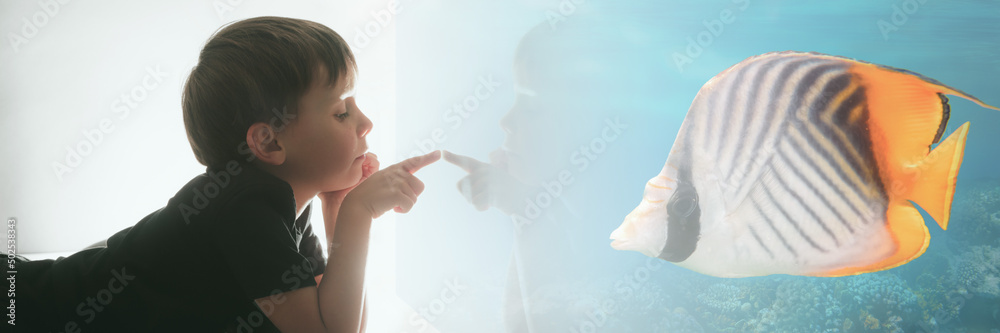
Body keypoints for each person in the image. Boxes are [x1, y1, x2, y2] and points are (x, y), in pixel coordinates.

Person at [13, 16, 440, 332]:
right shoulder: (243, 206)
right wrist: (359, 212)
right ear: (269, 143)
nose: (365, 123)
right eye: (341, 112)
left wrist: (339, 206)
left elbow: (338, 321)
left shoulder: (286, 205)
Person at [443, 12, 679, 332]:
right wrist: (524, 208)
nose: (506, 121)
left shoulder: (621, 250)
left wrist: (528, 210)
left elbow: (537, 322)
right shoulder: (578, 214)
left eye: (532, 108)